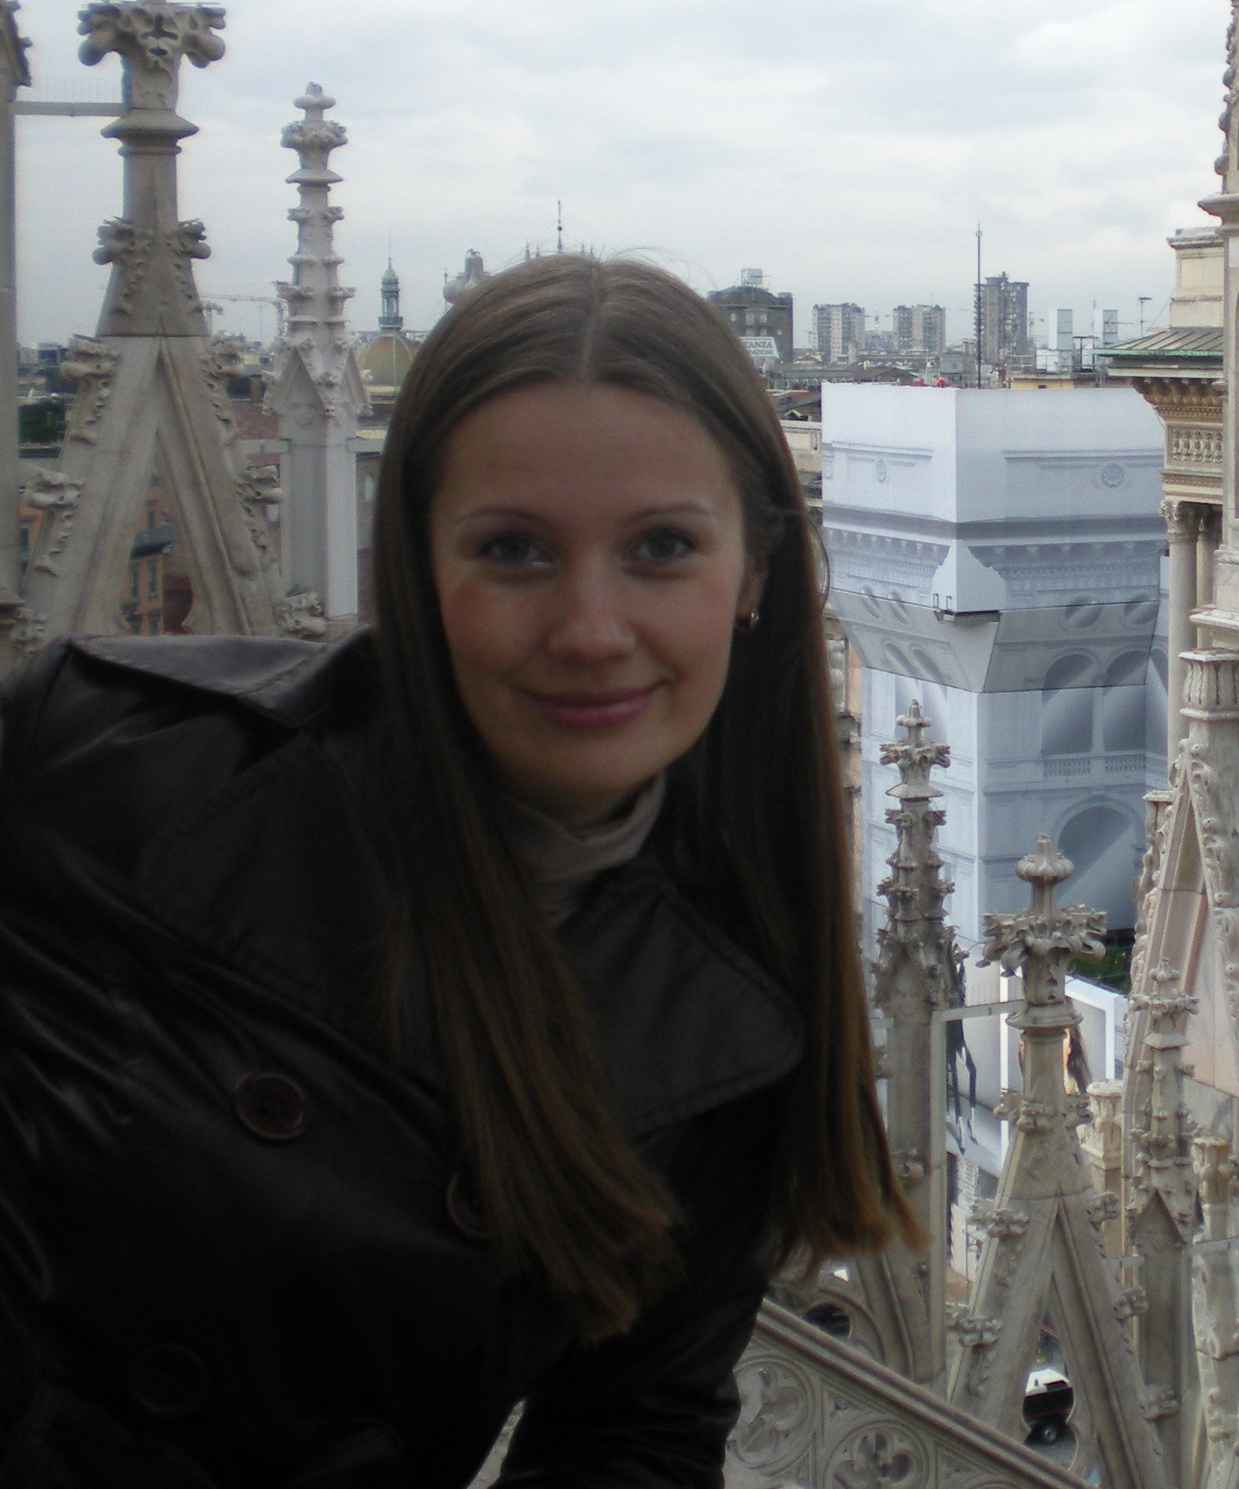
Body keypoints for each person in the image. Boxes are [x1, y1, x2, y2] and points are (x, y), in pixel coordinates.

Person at [0, 254, 908, 1486]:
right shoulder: (97, 766)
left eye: (660, 546)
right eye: (516, 550)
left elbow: (633, 1432)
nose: (590, 631)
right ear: (417, 564)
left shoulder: (730, 1022)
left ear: (753, 575)